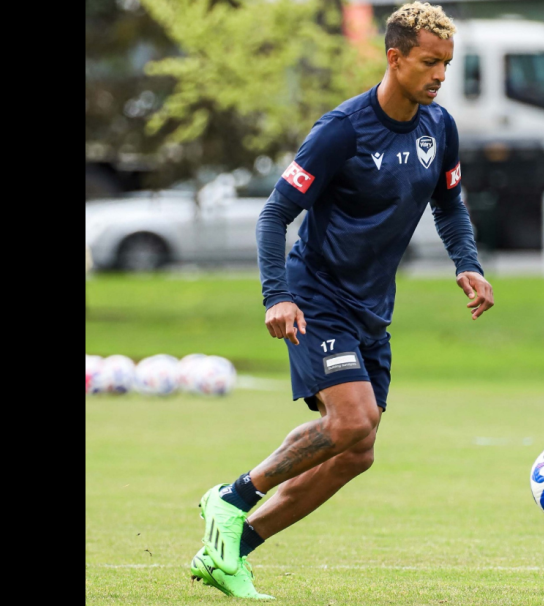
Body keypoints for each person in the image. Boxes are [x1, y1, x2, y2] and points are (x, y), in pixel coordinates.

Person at [189, 2, 494, 599]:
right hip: (316, 296)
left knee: (358, 451)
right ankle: (230, 498)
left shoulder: (440, 128)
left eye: (446, 64)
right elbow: (275, 213)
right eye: (429, 62)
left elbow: (449, 204)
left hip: (370, 308)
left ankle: (230, 552)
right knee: (352, 420)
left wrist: (468, 263)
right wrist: (276, 297)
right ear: (394, 57)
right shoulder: (342, 130)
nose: (439, 75)